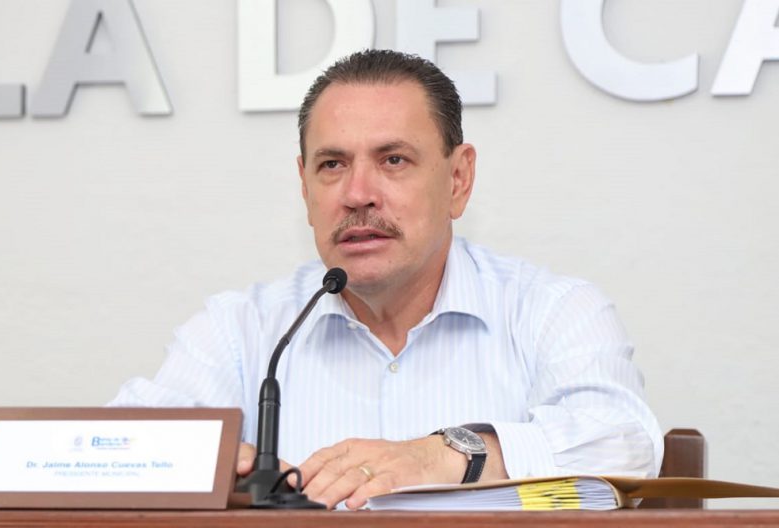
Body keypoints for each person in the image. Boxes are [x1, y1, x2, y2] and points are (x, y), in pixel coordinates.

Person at [111, 49, 663, 510]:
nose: (358, 194)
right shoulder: (242, 329)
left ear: (458, 179)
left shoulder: (552, 311)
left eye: (393, 160)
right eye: (332, 165)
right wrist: (210, 465)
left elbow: (627, 444)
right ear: (304, 187)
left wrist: (445, 455)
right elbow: (106, 453)